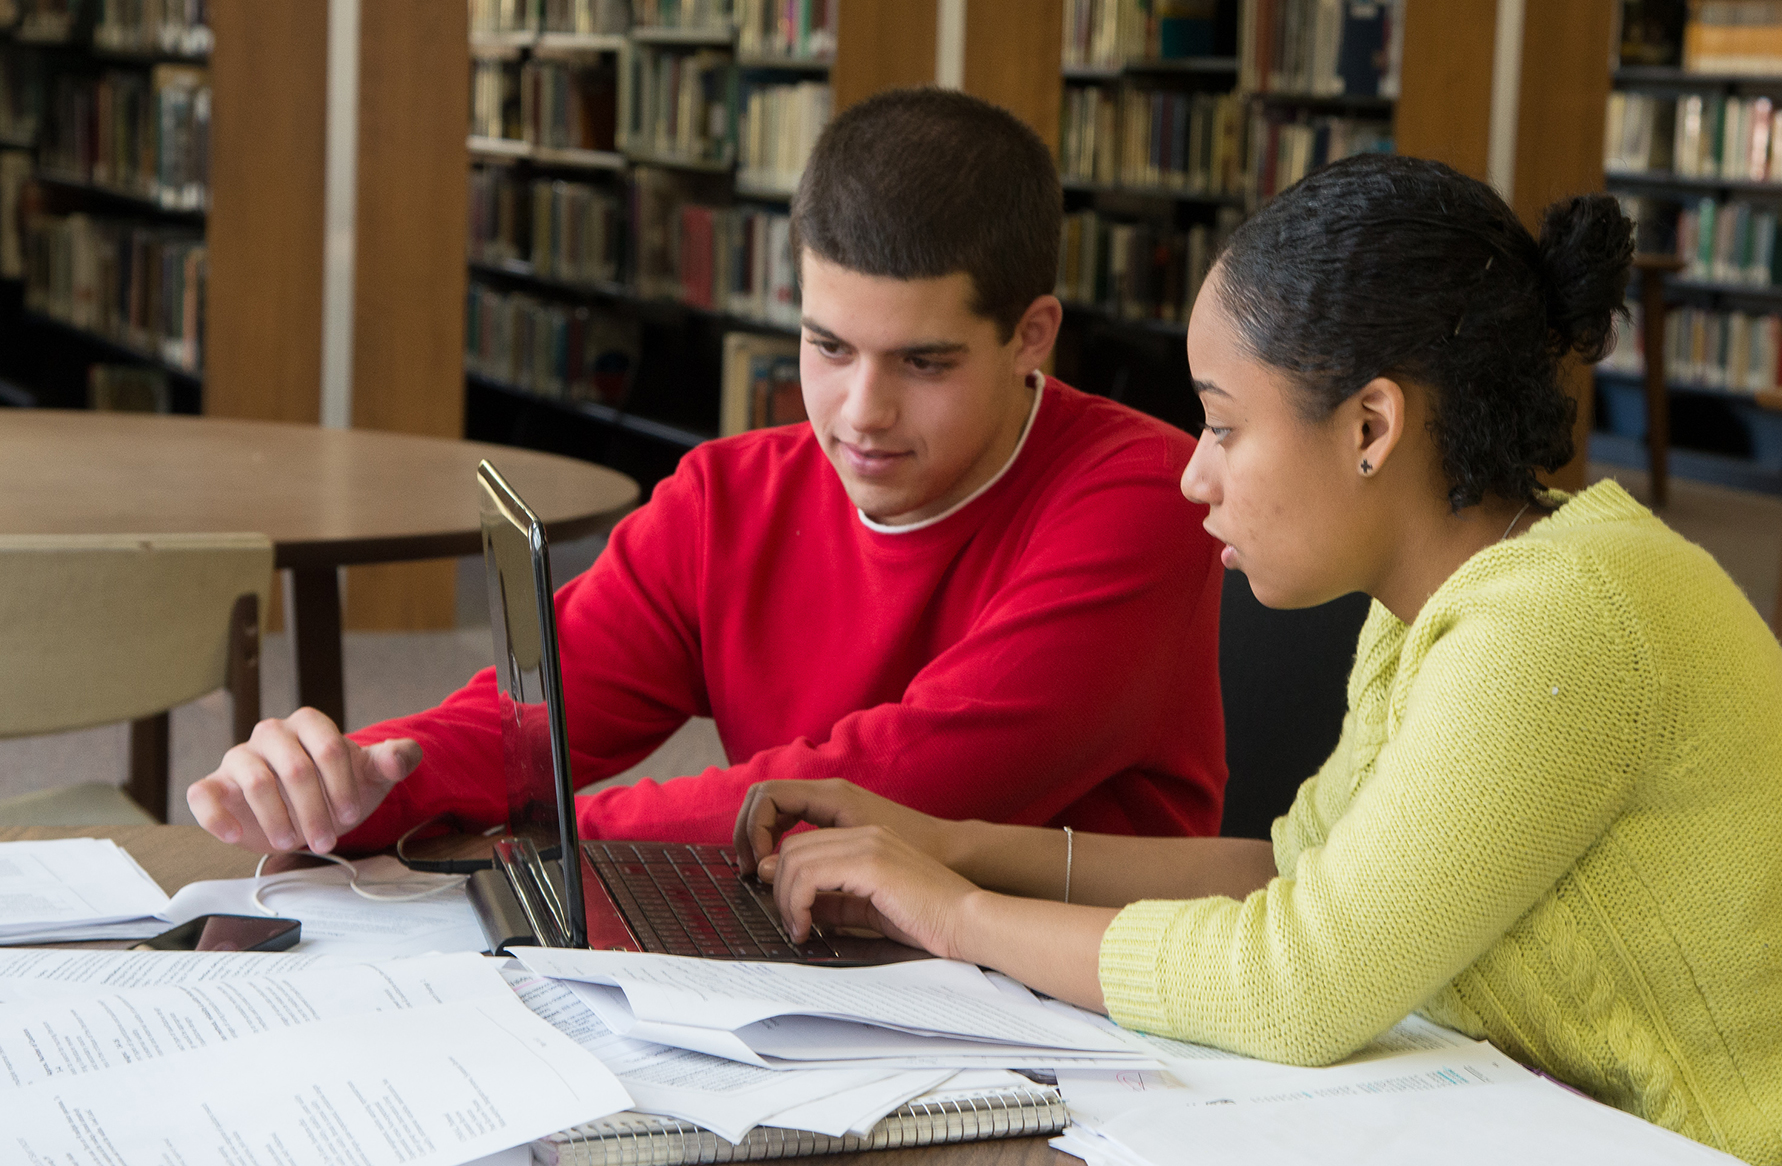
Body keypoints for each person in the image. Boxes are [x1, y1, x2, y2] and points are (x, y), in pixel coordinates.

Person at [732, 155, 1782, 1165]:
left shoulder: (1558, 621)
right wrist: (945, 842)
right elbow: (1292, 878)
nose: (1193, 474)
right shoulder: (1435, 600)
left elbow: (1292, 980)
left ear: (1369, 427)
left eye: (1222, 423)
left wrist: (951, 915)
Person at [186, 88, 1227, 858]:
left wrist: (535, 830)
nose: (859, 413)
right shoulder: (727, 497)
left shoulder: (1145, 496)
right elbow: (525, 720)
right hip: (805, 962)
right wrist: (355, 779)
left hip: (1062, 1021)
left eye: (922, 362)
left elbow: (897, 787)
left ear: (1029, 336)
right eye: (826, 349)